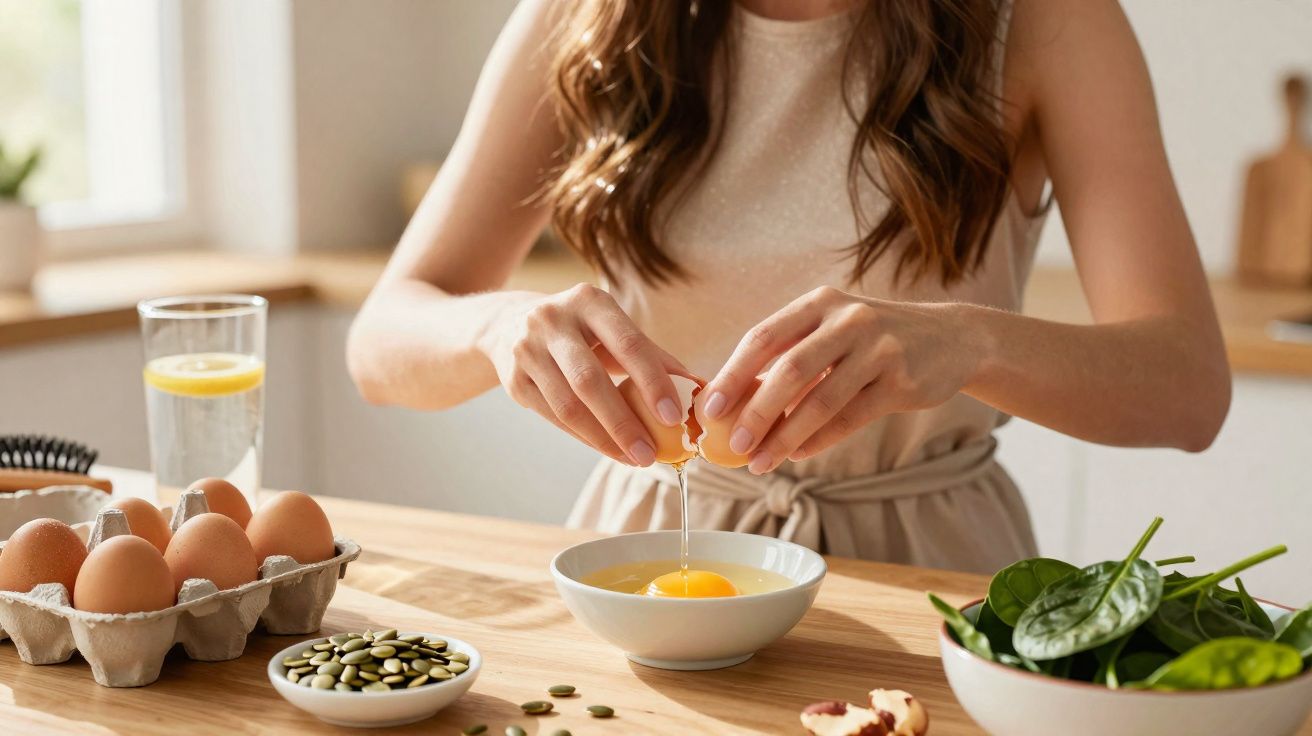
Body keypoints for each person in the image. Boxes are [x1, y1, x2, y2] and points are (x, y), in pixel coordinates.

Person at [347, 0, 1230, 573]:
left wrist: (971, 341)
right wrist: (498, 331)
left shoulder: (1046, 21)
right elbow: (381, 345)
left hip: (929, 572)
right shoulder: (584, 17)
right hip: (649, 562)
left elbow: (1188, 388)